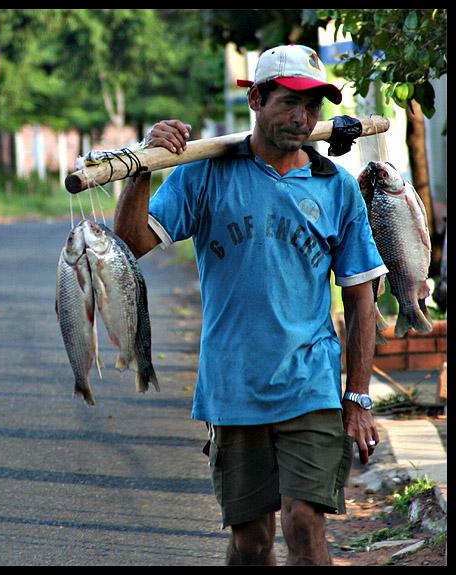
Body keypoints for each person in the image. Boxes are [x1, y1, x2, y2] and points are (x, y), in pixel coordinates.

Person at [113, 44, 388, 565]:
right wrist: (141, 167)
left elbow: (359, 298)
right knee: (252, 541)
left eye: (314, 107)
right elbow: (129, 244)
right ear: (256, 99)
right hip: (233, 385)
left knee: (305, 525)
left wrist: (358, 397)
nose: (304, 118)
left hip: (311, 384)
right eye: (290, 103)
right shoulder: (205, 174)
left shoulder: (338, 189)